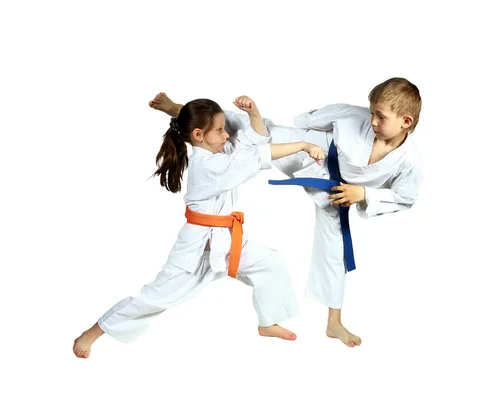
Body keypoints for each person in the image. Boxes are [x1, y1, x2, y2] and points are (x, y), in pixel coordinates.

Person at [73, 95, 325, 358]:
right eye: (219, 130)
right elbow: (254, 157)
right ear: (198, 135)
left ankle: (267, 323)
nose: (227, 135)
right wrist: (304, 145)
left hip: (227, 243)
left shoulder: (220, 151)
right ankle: (94, 331)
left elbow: (255, 141)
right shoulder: (207, 165)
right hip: (196, 251)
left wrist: (253, 113)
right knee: (155, 298)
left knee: (271, 263)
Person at [265, 77, 424, 347]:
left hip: (338, 193)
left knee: (335, 251)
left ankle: (334, 323)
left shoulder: (409, 161)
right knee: (255, 135)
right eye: (372, 112)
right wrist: (303, 122)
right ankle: (183, 112)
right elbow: (313, 119)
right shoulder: (355, 115)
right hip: (308, 151)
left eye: (380, 117)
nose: (372, 121)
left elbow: (405, 198)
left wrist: (362, 194)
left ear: (405, 122)